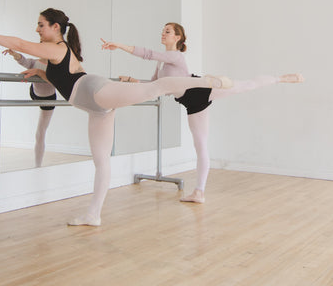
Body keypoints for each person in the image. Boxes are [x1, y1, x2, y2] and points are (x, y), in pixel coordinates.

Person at [0, 9, 231, 227]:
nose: (37, 29)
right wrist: (40, 74)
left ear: (55, 27)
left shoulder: (56, 47)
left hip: (94, 91)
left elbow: (19, 44)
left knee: (154, 88)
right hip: (94, 106)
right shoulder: (55, 53)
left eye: (40, 25)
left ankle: (207, 81)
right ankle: (93, 214)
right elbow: (60, 79)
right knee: (101, 161)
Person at [103, 22, 302, 204]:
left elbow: (148, 53)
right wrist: (130, 80)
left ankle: (280, 78)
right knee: (201, 145)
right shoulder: (161, 64)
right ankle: (199, 192)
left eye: (168, 31)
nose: (163, 34)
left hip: (200, 89)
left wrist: (119, 46)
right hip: (190, 103)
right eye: (163, 31)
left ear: (177, 37)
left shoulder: (175, 56)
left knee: (245, 85)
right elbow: (155, 86)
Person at [3, 48, 57, 168]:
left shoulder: (54, 67)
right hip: (34, 93)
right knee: (40, 132)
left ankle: (38, 165)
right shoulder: (35, 62)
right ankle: (37, 165)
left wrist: (39, 72)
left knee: (40, 132)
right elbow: (24, 62)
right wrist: (15, 54)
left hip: (47, 99)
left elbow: (56, 81)